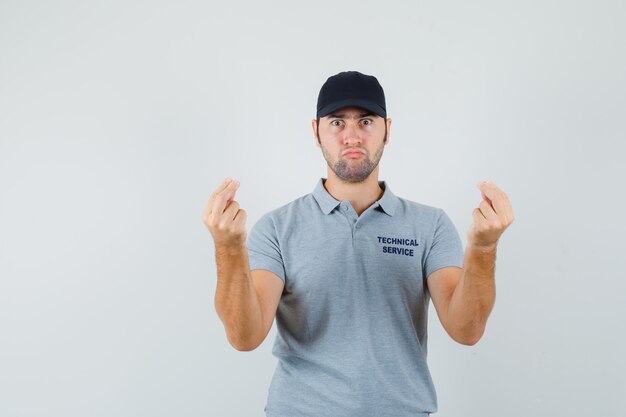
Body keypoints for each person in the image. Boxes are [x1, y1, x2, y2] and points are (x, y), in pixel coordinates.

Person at [203, 70, 515, 417]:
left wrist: (483, 249)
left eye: (366, 121)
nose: (352, 136)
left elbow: (466, 330)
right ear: (316, 131)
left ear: (388, 130)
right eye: (337, 122)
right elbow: (244, 337)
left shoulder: (430, 224)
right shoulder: (278, 228)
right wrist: (228, 249)